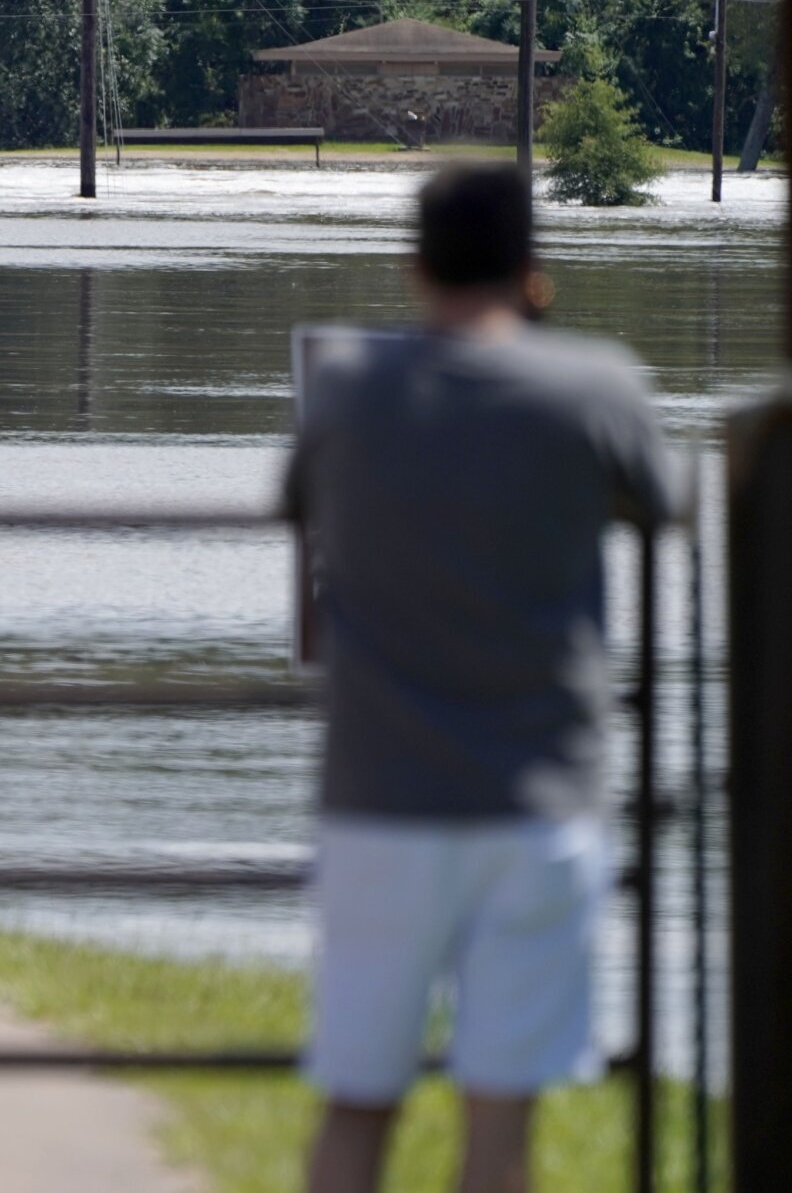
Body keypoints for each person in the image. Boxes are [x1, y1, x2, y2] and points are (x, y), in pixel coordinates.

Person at [283, 163, 678, 1193]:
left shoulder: (349, 388)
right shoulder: (596, 388)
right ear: (533, 270)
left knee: (355, 1107)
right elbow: (659, 503)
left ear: (413, 267)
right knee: (501, 1125)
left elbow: (297, 499)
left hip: (377, 800)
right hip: (537, 800)